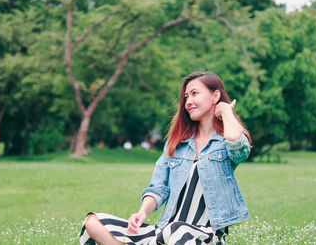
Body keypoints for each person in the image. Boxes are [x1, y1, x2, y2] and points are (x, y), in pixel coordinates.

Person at [79, 72, 252, 245]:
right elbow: (158, 187)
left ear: (215, 95)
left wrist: (225, 110)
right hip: (165, 233)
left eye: (194, 93)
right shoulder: (177, 143)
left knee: (177, 229)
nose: (188, 102)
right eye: (185, 97)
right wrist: (142, 213)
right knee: (93, 221)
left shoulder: (224, 142)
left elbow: (238, 145)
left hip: (204, 235)